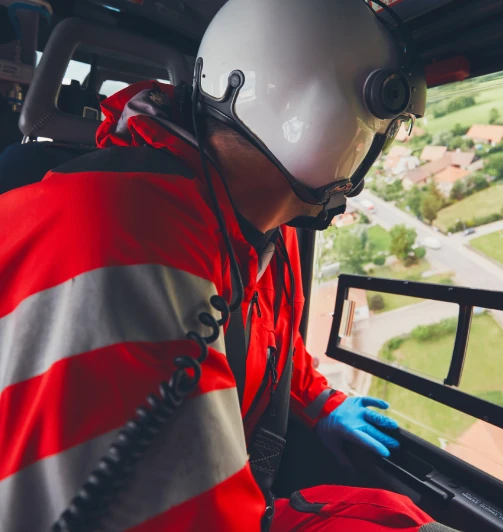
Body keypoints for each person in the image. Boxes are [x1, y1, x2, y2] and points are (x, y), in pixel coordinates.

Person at [0, 0, 441, 530]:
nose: (376, 153)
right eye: (382, 132)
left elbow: (264, 337)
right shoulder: (124, 237)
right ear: (328, 119)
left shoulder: (255, 231)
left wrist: (318, 401)